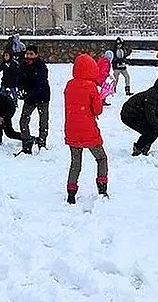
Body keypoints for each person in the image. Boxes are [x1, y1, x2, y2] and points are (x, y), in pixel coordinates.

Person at [64, 54, 109, 204]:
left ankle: (71, 193)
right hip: (88, 130)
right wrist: (99, 98)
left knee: (75, 163)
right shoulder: (91, 87)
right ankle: (102, 189)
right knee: (101, 158)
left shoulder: (69, 85)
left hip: (71, 130)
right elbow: (97, 111)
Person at [120, 74, 158, 156]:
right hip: (129, 115)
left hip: (140, 114)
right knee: (148, 131)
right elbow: (150, 116)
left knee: (157, 128)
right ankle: (138, 149)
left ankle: (145, 147)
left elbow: (157, 113)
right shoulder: (152, 95)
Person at [18, 45, 50, 154]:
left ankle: (42, 144)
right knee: (23, 120)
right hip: (29, 98)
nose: (29, 56)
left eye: (31, 54)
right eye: (27, 53)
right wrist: (21, 90)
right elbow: (19, 80)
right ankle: (26, 143)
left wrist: (29, 93)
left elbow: (41, 84)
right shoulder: (22, 65)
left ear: (36, 54)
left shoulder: (42, 67)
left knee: (43, 121)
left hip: (42, 97)